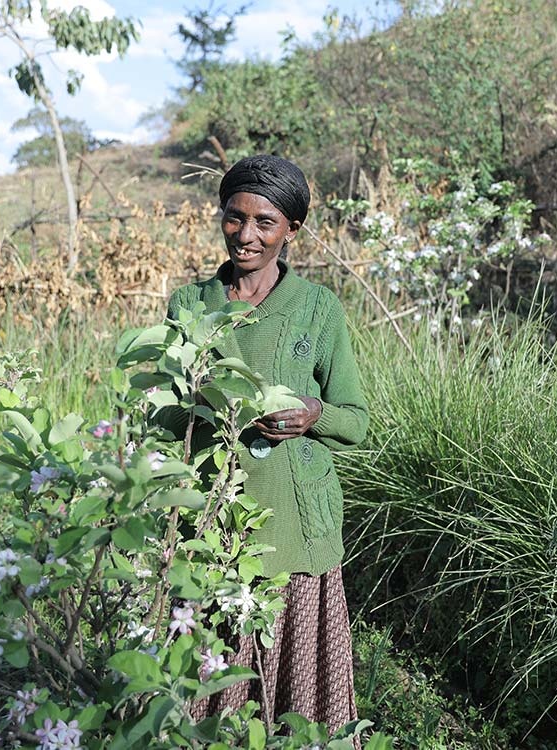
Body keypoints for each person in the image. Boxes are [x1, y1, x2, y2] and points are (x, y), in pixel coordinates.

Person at [161, 154, 369, 733]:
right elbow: (163, 414)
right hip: (212, 520)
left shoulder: (317, 309)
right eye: (234, 218)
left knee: (296, 695)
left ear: (291, 231)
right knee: (209, 670)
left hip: (296, 528)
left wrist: (312, 414)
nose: (246, 236)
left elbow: (357, 422)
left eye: (265, 223)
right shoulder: (190, 305)